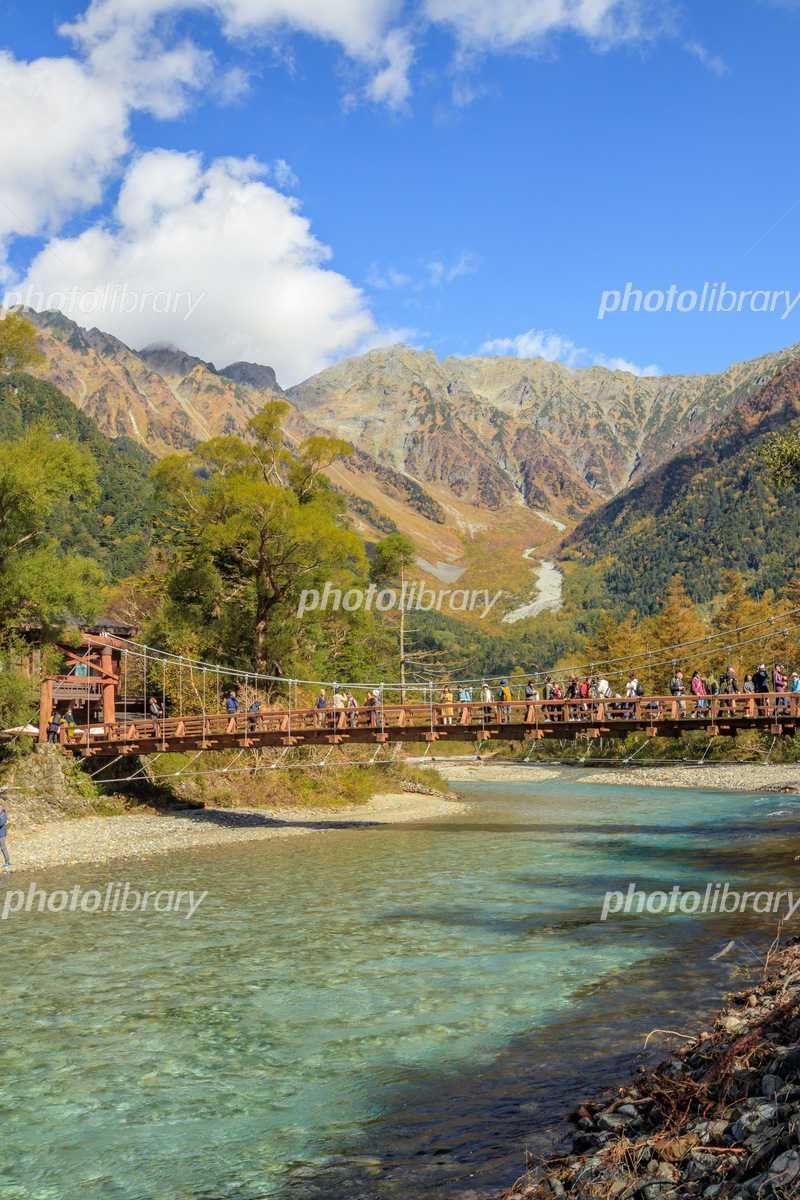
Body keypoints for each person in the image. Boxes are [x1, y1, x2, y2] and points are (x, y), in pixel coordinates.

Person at [0, 791, 9, 866]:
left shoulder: (3, 815)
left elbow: (1, 823)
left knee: (3, 848)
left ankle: (7, 862)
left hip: (1, 834)